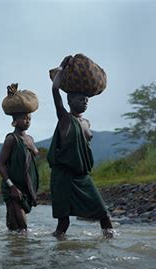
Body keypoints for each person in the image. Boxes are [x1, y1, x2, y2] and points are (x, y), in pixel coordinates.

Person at [48, 56, 114, 238]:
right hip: (63, 176)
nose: (84, 102)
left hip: (82, 176)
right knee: (64, 222)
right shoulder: (64, 119)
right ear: (70, 100)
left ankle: (110, 240)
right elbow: (55, 90)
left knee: (103, 213)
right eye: (79, 99)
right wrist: (61, 67)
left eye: (86, 99)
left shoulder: (86, 122)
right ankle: (58, 249)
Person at [0, 112, 39, 232]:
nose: (27, 121)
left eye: (29, 118)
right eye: (24, 118)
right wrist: (12, 186)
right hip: (13, 186)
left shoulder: (30, 139)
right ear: (15, 121)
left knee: (14, 227)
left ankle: (15, 247)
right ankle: (18, 248)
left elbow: (33, 154)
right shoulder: (11, 139)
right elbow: (0, 165)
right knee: (22, 228)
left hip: (26, 185)